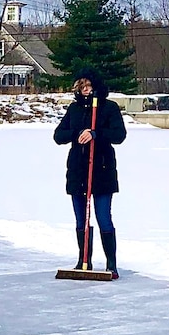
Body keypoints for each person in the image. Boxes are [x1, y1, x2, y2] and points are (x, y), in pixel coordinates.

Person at [52, 70, 127, 276]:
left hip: (101, 169)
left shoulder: (108, 108)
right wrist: (77, 134)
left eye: (89, 87)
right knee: (80, 219)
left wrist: (96, 134)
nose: (85, 91)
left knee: (103, 216)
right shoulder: (75, 109)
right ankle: (83, 260)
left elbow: (119, 135)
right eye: (82, 87)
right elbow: (58, 135)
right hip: (78, 170)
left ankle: (111, 263)